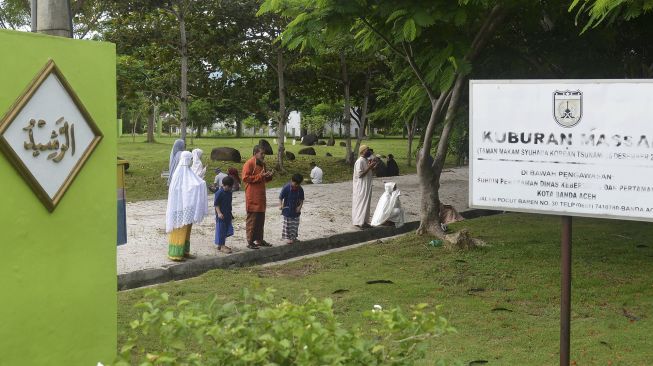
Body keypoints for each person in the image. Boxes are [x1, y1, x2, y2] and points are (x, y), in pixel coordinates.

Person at [165, 151, 208, 261]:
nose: (191, 161)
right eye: (190, 159)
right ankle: (175, 254)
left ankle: (185, 251)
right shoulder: (179, 175)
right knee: (180, 230)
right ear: (186, 159)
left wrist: (201, 183)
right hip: (179, 209)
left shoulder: (188, 172)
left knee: (187, 231)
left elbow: (194, 183)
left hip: (187, 208)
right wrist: (199, 184)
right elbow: (187, 188)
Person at [242, 145, 274, 249]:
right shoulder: (250, 163)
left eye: (264, 153)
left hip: (261, 196)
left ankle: (259, 240)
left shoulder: (263, 164)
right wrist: (260, 176)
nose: (263, 156)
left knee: (260, 219)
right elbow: (245, 178)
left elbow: (264, 179)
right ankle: (250, 241)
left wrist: (268, 175)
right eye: (261, 153)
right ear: (255, 153)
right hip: (252, 196)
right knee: (252, 219)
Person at [352, 145, 377, 228]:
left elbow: (370, 172)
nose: (368, 151)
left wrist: (373, 167)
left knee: (366, 203)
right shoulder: (360, 161)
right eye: (367, 150)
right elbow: (360, 174)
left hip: (367, 185)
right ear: (362, 151)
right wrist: (369, 167)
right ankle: (359, 222)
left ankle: (365, 221)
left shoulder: (366, 160)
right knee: (361, 203)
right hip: (361, 186)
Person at [279, 174, 305, 244]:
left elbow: (301, 200)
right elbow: (281, 197)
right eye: (295, 184)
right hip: (287, 209)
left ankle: (294, 237)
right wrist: (280, 205)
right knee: (288, 224)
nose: (296, 185)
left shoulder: (300, 189)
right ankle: (287, 238)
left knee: (295, 224)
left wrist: (299, 207)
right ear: (292, 180)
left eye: (298, 184)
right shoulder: (286, 187)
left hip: (296, 210)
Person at [214, 176, 235, 254]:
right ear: (224, 185)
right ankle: (222, 246)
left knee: (226, 230)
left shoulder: (229, 192)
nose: (229, 188)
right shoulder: (219, 193)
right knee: (221, 230)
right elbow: (216, 204)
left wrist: (230, 213)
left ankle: (220, 245)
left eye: (230, 187)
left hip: (228, 214)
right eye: (228, 187)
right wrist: (219, 213)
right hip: (221, 215)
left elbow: (229, 204)